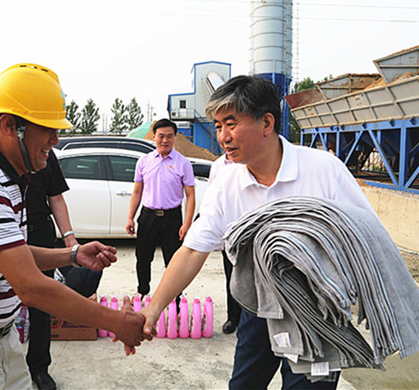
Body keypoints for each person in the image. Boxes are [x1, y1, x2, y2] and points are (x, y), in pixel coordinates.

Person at [0, 63, 149, 389]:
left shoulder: (8, 177)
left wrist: (71, 255)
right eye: (47, 128)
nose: (56, 140)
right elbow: (31, 287)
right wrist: (116, 321)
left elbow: (13, 254)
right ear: (11, 125)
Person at [140, 75, 377, 389]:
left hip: (317, 312)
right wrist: (154, 308)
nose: (222, 137)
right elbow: (194, 249)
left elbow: (367, 235)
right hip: (258, 307)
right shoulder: (227, 183)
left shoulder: (323, 170)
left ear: (267, 123)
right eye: (218, 126)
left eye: (231, 124)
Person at [25, 149, 103, 390]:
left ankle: (39, 367)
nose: (53, 140)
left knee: (42, 300)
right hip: (6, 234)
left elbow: (56, 197)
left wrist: (70, 240)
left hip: (39, 233)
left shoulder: (46, 154)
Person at [125, 118, 195, 299]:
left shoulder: (183, 163)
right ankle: (142, 291)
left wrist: (187, 223)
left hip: (172, 218)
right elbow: (137, 191)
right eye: (161, 136)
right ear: (154, 137)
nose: (165, 140)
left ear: (175, 138)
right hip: (148, 216)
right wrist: (130, 217)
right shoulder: (144, 161)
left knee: (174, 261)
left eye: (169, 136)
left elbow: (190, 195)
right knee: (143, 257)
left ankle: (175, 297)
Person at [208, 153, 242, 335]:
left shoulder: (251, 162)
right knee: (232, 278)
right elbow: (213, 198)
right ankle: (233, 318)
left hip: (253, 231)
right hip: (229, 232)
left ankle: (254, 320)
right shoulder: (218, 165)